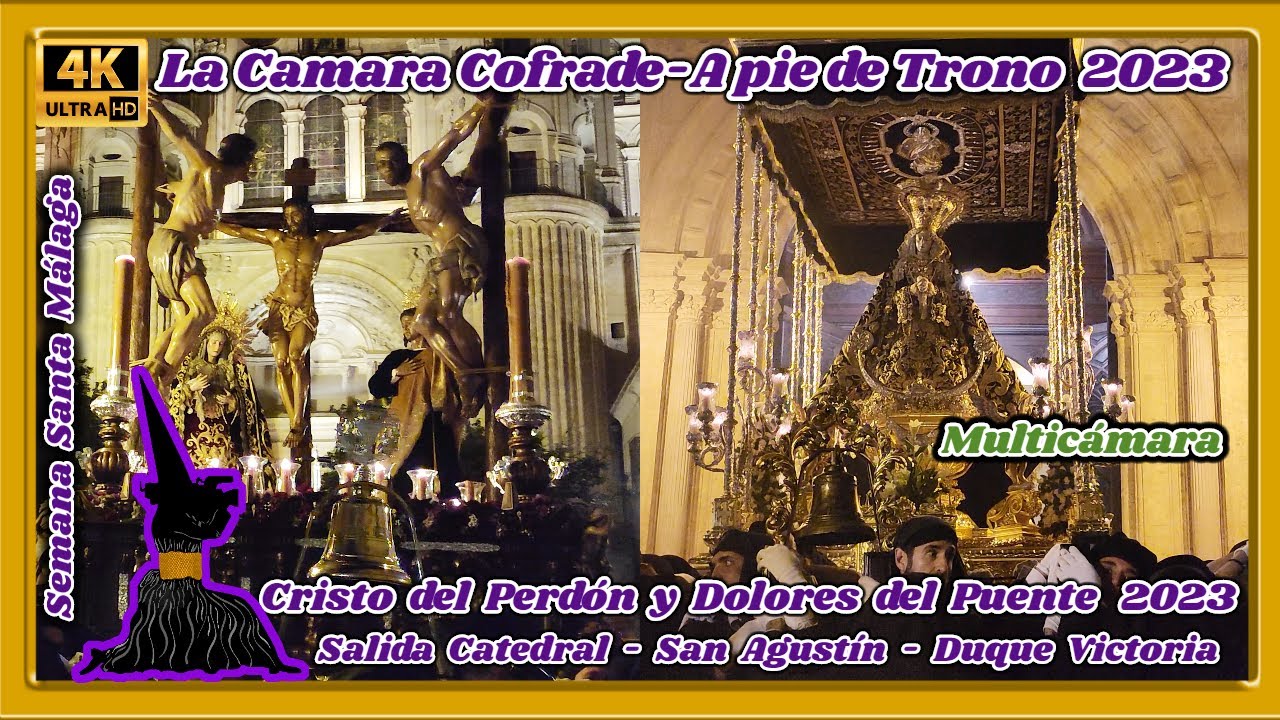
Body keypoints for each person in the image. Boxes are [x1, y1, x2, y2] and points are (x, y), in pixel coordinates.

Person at [217, 202, 405, 447]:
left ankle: (298, 420)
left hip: (303, 310)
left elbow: (357, 233)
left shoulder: (318, 241)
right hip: (278, 307)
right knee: (282, 362)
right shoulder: (276, 239)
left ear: (306, 216)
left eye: (296, 214)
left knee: (296, 357)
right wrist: (210, 221)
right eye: (287, 215)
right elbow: (240, 231)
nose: (292, 219)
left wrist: (386, 220)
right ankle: (291, 415)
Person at [374, 94, 510, 418]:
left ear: (403, 159)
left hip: (462, 245)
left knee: (450, 314)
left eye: (390, 161)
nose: (385, 169)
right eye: (379, 164)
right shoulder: (408, 196)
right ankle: (463, 372)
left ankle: (475, 375)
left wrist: (482, 106)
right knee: (422, 321)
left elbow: (455, 134)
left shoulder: (423, 168)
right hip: (441, 255)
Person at [141, 91, 258, 387]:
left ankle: (155, 367)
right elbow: (181, 138)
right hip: (174, 243)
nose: (252, 168)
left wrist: (174, 191)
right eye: (251, 161)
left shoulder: (200, 180)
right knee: (205, 310)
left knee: (184, 319)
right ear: (243, 160)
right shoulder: (210, 169)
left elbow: (174, 189)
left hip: (171, 245)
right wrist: (158, 109)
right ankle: (162, 376)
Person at [165, 298, 273, 470]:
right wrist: (189, 389)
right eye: (214, 342)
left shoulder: (235, 371)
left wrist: (233, 402)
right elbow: (169, 400)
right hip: (193, 436)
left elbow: (250, 406)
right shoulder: (187, 367)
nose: (217, 347)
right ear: (205, 343)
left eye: (221, 344)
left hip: (225, 441)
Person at [367, 309, 463, 499]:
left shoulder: (441, 353)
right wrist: (396, 373)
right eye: (403, 324)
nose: (406, 327)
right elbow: (376, 387)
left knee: (440, 466)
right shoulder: (399, 356)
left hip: (435, 422)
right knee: (404, 469)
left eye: (411, 322)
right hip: (404, 420)